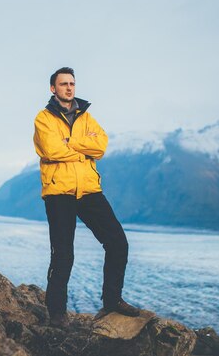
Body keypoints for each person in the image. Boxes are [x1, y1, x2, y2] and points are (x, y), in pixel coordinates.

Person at [33, 66, 141, 328]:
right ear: (53, 88)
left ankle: (112, 300)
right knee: (63, 254)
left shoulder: (87, 117)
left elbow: (101, 145)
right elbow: (51, 149)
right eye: (63, 84)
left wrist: (69, 143)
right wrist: (82, 148)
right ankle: (57, 313)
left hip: (89, 189)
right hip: (60, 191)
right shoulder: (43, 118)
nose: (69, 88)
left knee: (118, 243)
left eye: (72, 83)